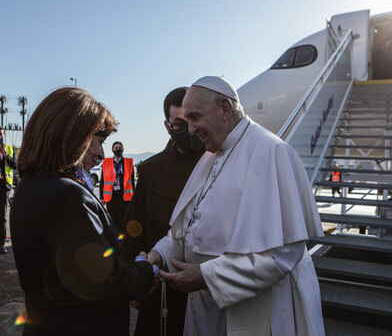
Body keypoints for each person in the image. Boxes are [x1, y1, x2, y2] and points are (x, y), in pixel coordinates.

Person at [147, 76, 326, 335]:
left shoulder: (272, 152)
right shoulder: (210, 157)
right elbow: (186, 232)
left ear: (224, 108)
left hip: (260, 307)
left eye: (195, 118)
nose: (190, 129)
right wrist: (158, 254)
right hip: (207, 307)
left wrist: (207, 276)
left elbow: (284, 253)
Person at [10, 87, 156, 336]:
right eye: (98, 142)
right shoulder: (68, 196)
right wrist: (146, 269)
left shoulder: (30, 186)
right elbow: (104, 282)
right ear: (73, 136)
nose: (101, 154)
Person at [123, 87, 205, 336]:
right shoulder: (151, 169)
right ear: (167, 127)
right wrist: (134, 281)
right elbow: (132, 226)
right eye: (179, 123)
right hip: (159, 285)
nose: (188, 129)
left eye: (192, 119)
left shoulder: (216, 163)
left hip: (205, 285)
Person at [100, 141, 135, 232]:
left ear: (123, 149)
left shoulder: (128, 162)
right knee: (112, 218)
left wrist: (134, 196)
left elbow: (132, 181)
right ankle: (114, 237)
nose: (118, 149)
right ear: (112, 150)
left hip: (124, 195)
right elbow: (102, 181)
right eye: (116, 148)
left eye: (120, 148)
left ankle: (123, 238)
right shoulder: (106, 162)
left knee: (123, 218)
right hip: (111, 195)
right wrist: (101, 197)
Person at [0, 127, 16, 255]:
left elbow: (15, 165)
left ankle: (1, 244)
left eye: (1, 135)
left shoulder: (9, 149)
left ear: (4, 135)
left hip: (4, 185)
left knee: (3, 216)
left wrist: (6, 155)